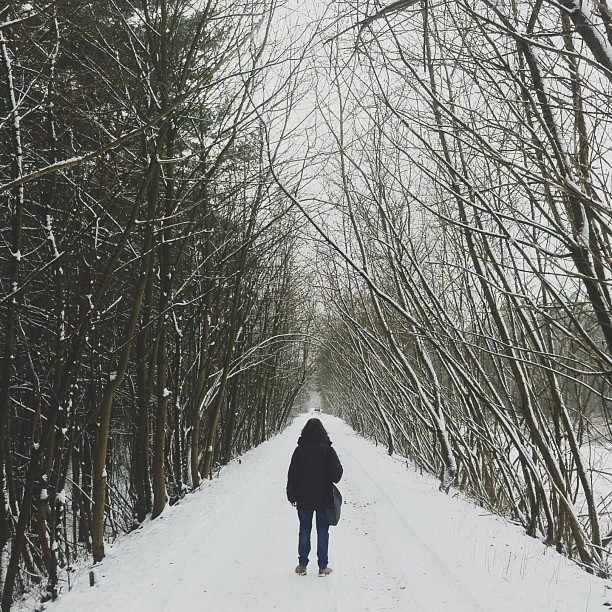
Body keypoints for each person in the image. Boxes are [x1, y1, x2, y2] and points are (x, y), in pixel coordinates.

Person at [286, 417, 343, 577]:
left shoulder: (299, 451)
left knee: (304, 530)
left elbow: (292, 474)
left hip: (304, 498)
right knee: (322, 532)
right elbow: (337, 475)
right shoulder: (328, 450)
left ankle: (302, 565)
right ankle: (323, 567)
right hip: (323, 498)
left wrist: (291, 494)